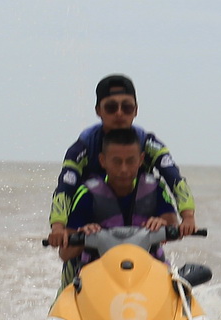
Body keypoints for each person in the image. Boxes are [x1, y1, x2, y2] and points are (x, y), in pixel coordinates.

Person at [47, 74, 196, 249]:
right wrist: (58, 227)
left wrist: (188, 218)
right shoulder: (83, 148)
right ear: (98, 110)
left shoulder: (150, 144)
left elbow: (174, 179)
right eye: (111, 107)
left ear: (136, 110)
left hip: (140, 223)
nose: (119, 113)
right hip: (92, 226)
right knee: (75, 261)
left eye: (126, 107)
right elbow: (65, 187)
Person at [57, 127, 178, 290]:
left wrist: (162, 223)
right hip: (98, 283)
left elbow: (174, 229)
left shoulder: (155, 188)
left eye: (130, 161)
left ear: (141, 160)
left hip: (148, 279)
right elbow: (65, 254)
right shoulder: (87, 194)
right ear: (102, 161)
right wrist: (83, 234)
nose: (124, 169)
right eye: (116, 161)